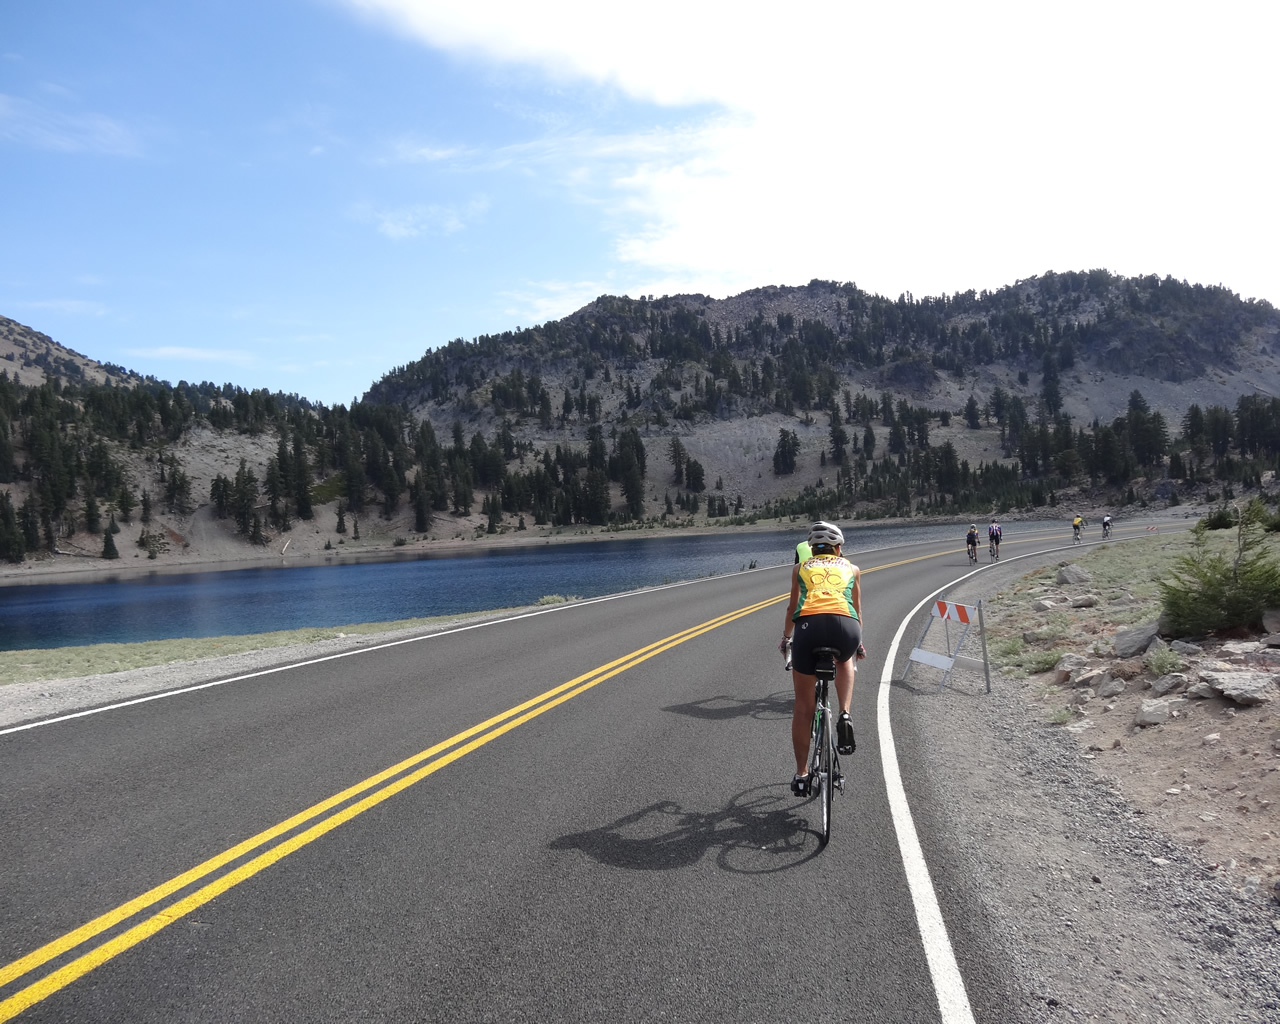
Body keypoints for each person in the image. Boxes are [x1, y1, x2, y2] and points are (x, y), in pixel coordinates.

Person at [779, 521, 865, 796]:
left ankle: (802, 774)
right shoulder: (852, 568)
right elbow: (857, 609)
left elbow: (792, 607)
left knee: (803, 707)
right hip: (846, 627)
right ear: (838, 548)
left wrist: (786, 638)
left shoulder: (799, 568)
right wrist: (858, 643)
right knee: (845, 659)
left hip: (809, 627)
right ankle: (844, 713)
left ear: (812, 550)